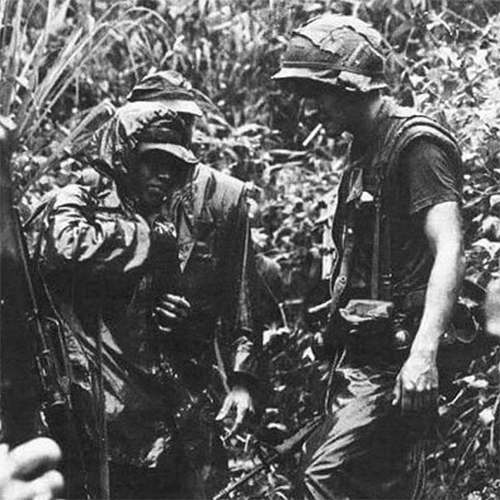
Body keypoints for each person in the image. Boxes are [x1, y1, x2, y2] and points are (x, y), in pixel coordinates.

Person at [37, 84, 262, 499]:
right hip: (92, 406)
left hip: (156, 407)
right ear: (125, 158)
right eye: (152, 162)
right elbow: (65, 248)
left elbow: (205, 303)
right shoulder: (80, 199)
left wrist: (178, 317)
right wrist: (146, 239)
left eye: (173, 166)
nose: (163, 175)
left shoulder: (170, 216)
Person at [272, 14, 464, 500]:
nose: (312, 107)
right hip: (360, 359)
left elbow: (449, 247)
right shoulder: (364, 149)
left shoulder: (416, 145)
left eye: (320, 92)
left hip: (394, 361)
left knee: (321, 478)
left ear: (354, 86)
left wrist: (423, 355)